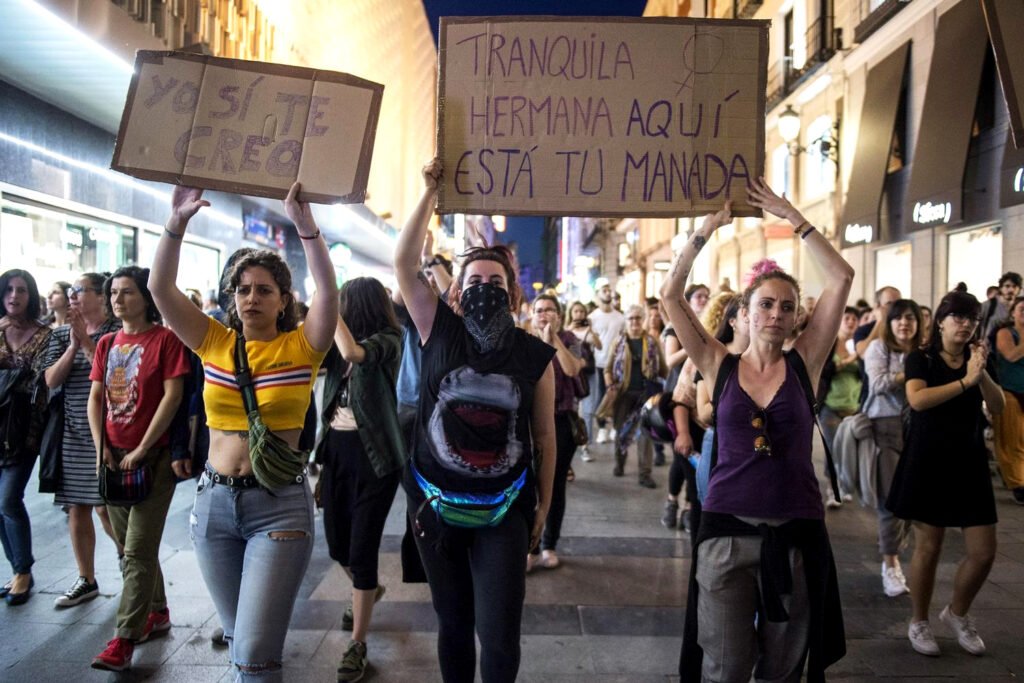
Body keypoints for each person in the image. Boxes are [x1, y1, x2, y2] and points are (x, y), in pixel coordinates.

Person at [665, 178, 853, 682]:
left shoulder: (805, 362)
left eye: (787, 306)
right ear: (744, 314)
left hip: (795, 535)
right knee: (725, 667)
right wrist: (705, 230)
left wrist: (793, 215)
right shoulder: (716, 363)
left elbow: (841, 276)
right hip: (726, 536)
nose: (777, 313)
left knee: (783, 670)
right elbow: (669, 294)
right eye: (766, 304)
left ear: (796, 320)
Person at [149, 182, 338, 681]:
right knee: (238, 645)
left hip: (277, 505)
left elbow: (330, 292)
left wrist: (306, 228)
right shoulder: (213, 340)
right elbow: (160, 290)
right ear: (232, 297)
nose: (252, 297)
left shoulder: (304, 346)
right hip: (212, 506)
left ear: (283, 300)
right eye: (243, 288)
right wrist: (176, 224)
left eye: (264, 289)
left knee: (254, 655)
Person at [395, 160, 556, 683]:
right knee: (454, 623)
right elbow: (402, 261)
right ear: (458, 294)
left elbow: (546, 436)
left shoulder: (535, 356)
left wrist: (545, 506)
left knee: (501, 632)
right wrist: (429, 194)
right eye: (476, 281)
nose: (485, 287)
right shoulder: (438, 329)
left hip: (504, 511)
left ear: (512, 293)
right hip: (435, 508)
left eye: (496, 281)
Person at [887, 285, 1005, 657]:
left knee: (984, 551)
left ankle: (957, 612)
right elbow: (918, 400)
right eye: (958, 317)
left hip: (969, 461)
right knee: (930, 546)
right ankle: (918, 621)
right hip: (928, 460)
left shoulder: (976, 359)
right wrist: (965, 382)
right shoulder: (921, 358)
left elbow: (998, 406)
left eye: (972, 319)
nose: (965, 325)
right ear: (939, 321)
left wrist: (980, 372)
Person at [86, 266, 189, 670]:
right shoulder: (107, 342)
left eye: (126, 292)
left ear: (146, 298)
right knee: (134, 551)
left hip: (154, 460)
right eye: (113, 292)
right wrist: (102, 449)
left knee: (137, 552)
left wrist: (144, 447)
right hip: (112, 459)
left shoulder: (165, 340)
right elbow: (95, 398)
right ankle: (158, 611)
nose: (117, 299)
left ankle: (123, 641)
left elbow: (173, 396)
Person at [318, 277, 404, 682]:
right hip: (336, 451)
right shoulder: (335, 346)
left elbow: (355, 350)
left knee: (362, 547)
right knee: (338, 548)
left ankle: (358, 642)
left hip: (376, 458)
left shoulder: (390, 339)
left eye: (343, 301)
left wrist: (326, 300)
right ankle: (366, 591)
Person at [43, 272, 123, 608]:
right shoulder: (61, 335)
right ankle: (86, 578)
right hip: (72, 430)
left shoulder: (116, 334)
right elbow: (50, 379)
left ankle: (129, 559)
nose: (74, 295)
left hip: (108, 429)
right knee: (77, 506)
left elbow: (113, 379)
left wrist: (88, 345)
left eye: (82, 290)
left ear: (102, 297)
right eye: (72, 290)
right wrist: (74, 343)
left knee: (108, 507)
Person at [863, 300, 922, 597]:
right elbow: (877, 384)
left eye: (910, 318)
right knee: (891, 503)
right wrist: (911, 372)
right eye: (898, 319)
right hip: (883, 428)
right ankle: (891, 565)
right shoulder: (878, 349)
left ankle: (892, 545)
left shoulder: (922, 352)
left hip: (917, 430)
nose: (904, 324)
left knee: (910, 503)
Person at [0, 269, 51, 605]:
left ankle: (23, 570)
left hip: (24, 430)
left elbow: (43, 382)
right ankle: (18, 569)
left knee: (8, 499)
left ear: (31, 295)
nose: (14, 296)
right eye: (8, 290)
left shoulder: (44, 335)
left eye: (20, 290)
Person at [527, 295, 584, 571]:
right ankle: (531, 547)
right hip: (529, 422)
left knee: (555, 484)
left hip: (561, 420)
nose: (544, 314)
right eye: (539, 310)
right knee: (528, 485)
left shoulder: (570, 338)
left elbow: (573, 368)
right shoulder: (523, 338)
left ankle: (549, 544)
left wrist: (554, 341)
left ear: (559, 315)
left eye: (550, 310)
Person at [603, 304, 666, 488]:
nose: (634, 322)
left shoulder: (651, 342)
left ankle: (644, 474)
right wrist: (609, 385)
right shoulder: (619, 342)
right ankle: (620, 463)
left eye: (638, 318)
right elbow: (608, 369)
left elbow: (663, 369)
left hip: (646, 395)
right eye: (630, 318)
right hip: (623, 395)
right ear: (626, 321)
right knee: (621, 430)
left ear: (642, 320)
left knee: (645, 434)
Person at [818, 306, 862, 508]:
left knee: (850, 450)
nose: (851, 321)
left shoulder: (859, 345)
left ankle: (845, 486)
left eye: (854, 318)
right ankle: (832, 489)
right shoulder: (829, 344)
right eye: (847, 318)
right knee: (832, 449)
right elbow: (824, 370)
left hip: (854, 406)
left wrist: (859, 358)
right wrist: (848, 361)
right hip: (831, 405)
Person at [993, 296, 1024, 504]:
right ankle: (1018, 484)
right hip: (1010, 392)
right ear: (1012, 312)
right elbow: (1012, 355)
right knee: (1012, 441)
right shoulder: (1005, 333)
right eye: (1022, 309)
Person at [589, 281, 625, 445]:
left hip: (618, 365)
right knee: (600, 398)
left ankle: (615, 427)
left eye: (609, 289)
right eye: (604, 290)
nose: (608, 292)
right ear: (598, 294)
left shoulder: (620, 317)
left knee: (616, 396)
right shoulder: (592, 317)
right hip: (599, 363)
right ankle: (602, 429)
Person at [566, 300, 600, 462]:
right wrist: (570, 330)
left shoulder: (588, 330)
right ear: (571, 313)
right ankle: (573, 440)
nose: (579, 314)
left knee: (587, 409)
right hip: (571, 374)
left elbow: (599, 346)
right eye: (576, 311)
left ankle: (585, 445)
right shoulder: (567, 331)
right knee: (573, 409)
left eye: (581, 311)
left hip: (588, 373)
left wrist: (590, 332)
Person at [980, 272, 1022, 339]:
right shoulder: (988, 305)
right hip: (988, 347)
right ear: (1000, 288)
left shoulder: (1020, 307)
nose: (1011, 290)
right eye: (1007, 286)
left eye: (1014, 286)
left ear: (1019, 289)